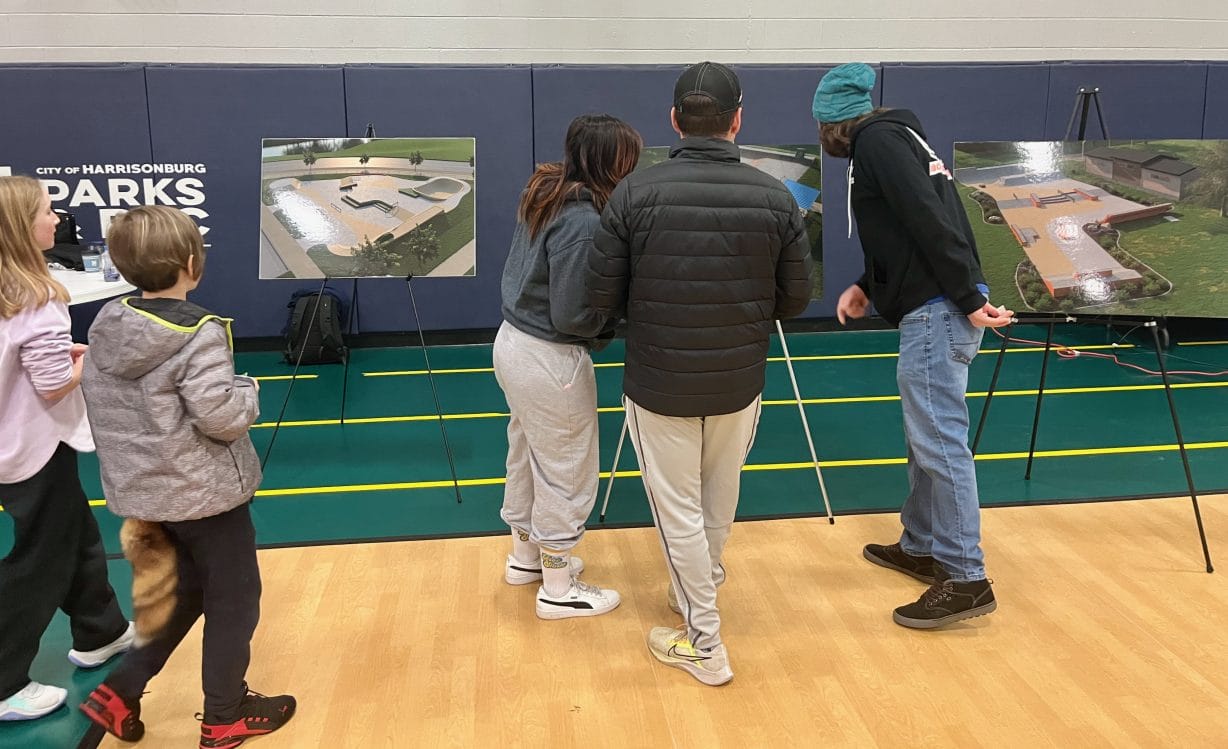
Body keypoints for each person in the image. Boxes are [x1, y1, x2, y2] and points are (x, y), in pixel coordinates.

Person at [589, 62, 814, 685]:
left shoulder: (634, 193)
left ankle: (705, 645)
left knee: (679, 511)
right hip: (739, 381)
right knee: (717, 497)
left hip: (660, 386)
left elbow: (600, 293)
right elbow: (795, 298)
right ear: (737, 120)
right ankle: (697, 588)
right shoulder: (775, 196)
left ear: (673, 121)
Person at [76, 205, 295, 747]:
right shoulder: (197, 333)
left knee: (184, 595)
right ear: (192, 262)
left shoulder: (109, 320)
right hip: (205, 499)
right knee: (235, 601)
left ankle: (119, 690)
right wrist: (248, 389)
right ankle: (225, 714)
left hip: (144, 495)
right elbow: (221, 419)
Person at [812, 63, 1012, 629]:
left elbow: (928, 220)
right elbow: (905, 228)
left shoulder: (876, 143)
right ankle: (922, 545)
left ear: (833, 124)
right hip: (936, 303)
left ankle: (965, 576)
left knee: (941, 441)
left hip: (937, 309)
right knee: (926, 436)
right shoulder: (900, 136)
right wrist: (866, 287)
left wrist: (966, 295)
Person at [495, 114, 642, 619]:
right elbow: (575, 315)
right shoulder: (583, 221)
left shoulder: (547, 191)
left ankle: (526, 558)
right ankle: (558, 589)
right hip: (549, 355)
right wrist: (614, 319)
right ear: (611, 161)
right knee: (566, 468)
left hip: (513, 343)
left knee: (528, 454)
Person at [0, 175, 134, 722]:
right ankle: (5, 680)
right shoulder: (38, 298)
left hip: (15, 442)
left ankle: (101, 631)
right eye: (47, 212)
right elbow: (53, 383)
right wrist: (89, 358)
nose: (56, 220)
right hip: (33, 447)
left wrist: (64, 358)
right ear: (19, 226)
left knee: (74, 531)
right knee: (42, 558)